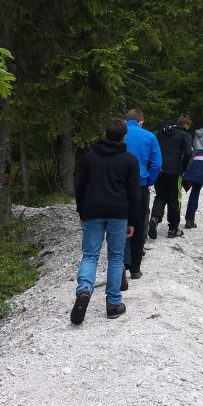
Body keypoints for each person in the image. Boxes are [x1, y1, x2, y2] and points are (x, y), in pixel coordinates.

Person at [71, 118, 140, 324]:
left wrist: (81, 212)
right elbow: (134, 194)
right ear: (124, 136)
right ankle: (113, 304)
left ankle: (84, 289)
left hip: (92, 211)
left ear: (104, 133)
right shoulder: (129, 160)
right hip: (119, 212)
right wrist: (133, 221)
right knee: (116, 257)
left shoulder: (89, 157)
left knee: (90, 256)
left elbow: (80, 187)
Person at [123, 108, 162, 280]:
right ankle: (135, 269)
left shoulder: (118, 134)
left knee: (120, 225)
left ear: (126, 120)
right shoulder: (149, 136)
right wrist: (149, 180)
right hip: (140, 185)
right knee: (138, 225)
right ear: (141, 121)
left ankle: (121, 264)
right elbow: (157, 164)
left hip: (119, 187)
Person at [148, 114, 193, 239]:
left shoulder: (162, 132)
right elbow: (189, 152)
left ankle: (155, 218)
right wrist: (183, 167)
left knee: (160, 195)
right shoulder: (185, 134)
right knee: (174, 198)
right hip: (174, 170)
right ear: (186, 125)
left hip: (159, 169)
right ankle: (173, 229)